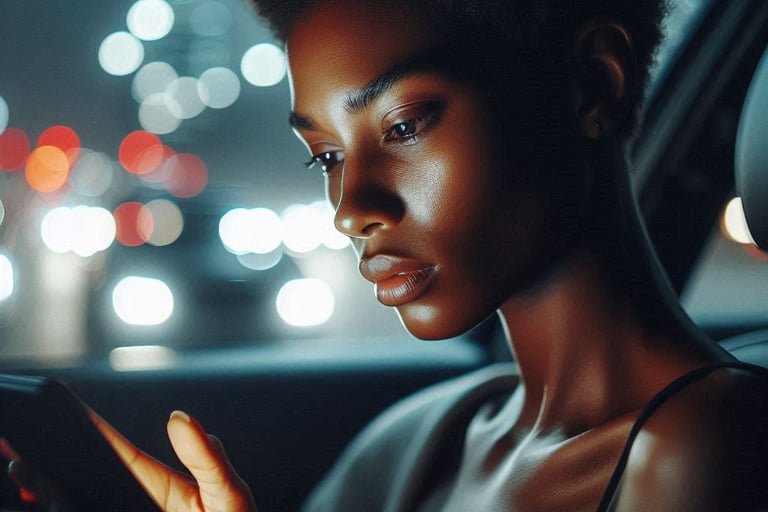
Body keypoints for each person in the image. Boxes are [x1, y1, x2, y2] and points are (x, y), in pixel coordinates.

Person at [5, 0, 768, 510]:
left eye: (403, 126)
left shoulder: (706, 443)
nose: (350, 209)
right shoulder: (424, 435)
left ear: (591, 85)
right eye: (325, 156)